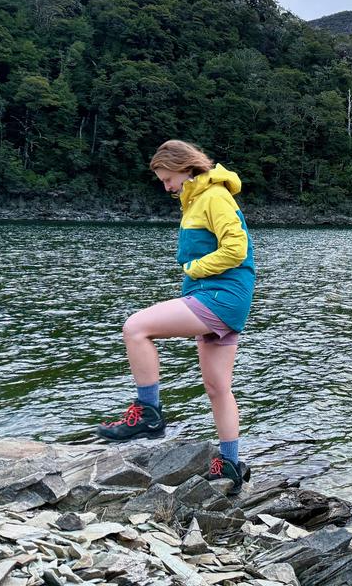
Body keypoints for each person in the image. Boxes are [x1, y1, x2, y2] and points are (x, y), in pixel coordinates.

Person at [96, 140, 256, 494]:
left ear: (185, 168)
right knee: (218, 388)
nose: (167, 187)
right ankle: (230, 463)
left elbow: (236, 249)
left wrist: (195, 269)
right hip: (221, 296)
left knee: (136, 327)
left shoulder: (214, 197)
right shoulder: (197, 199)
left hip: (220, 295)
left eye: (168, 179)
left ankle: (148, 412)